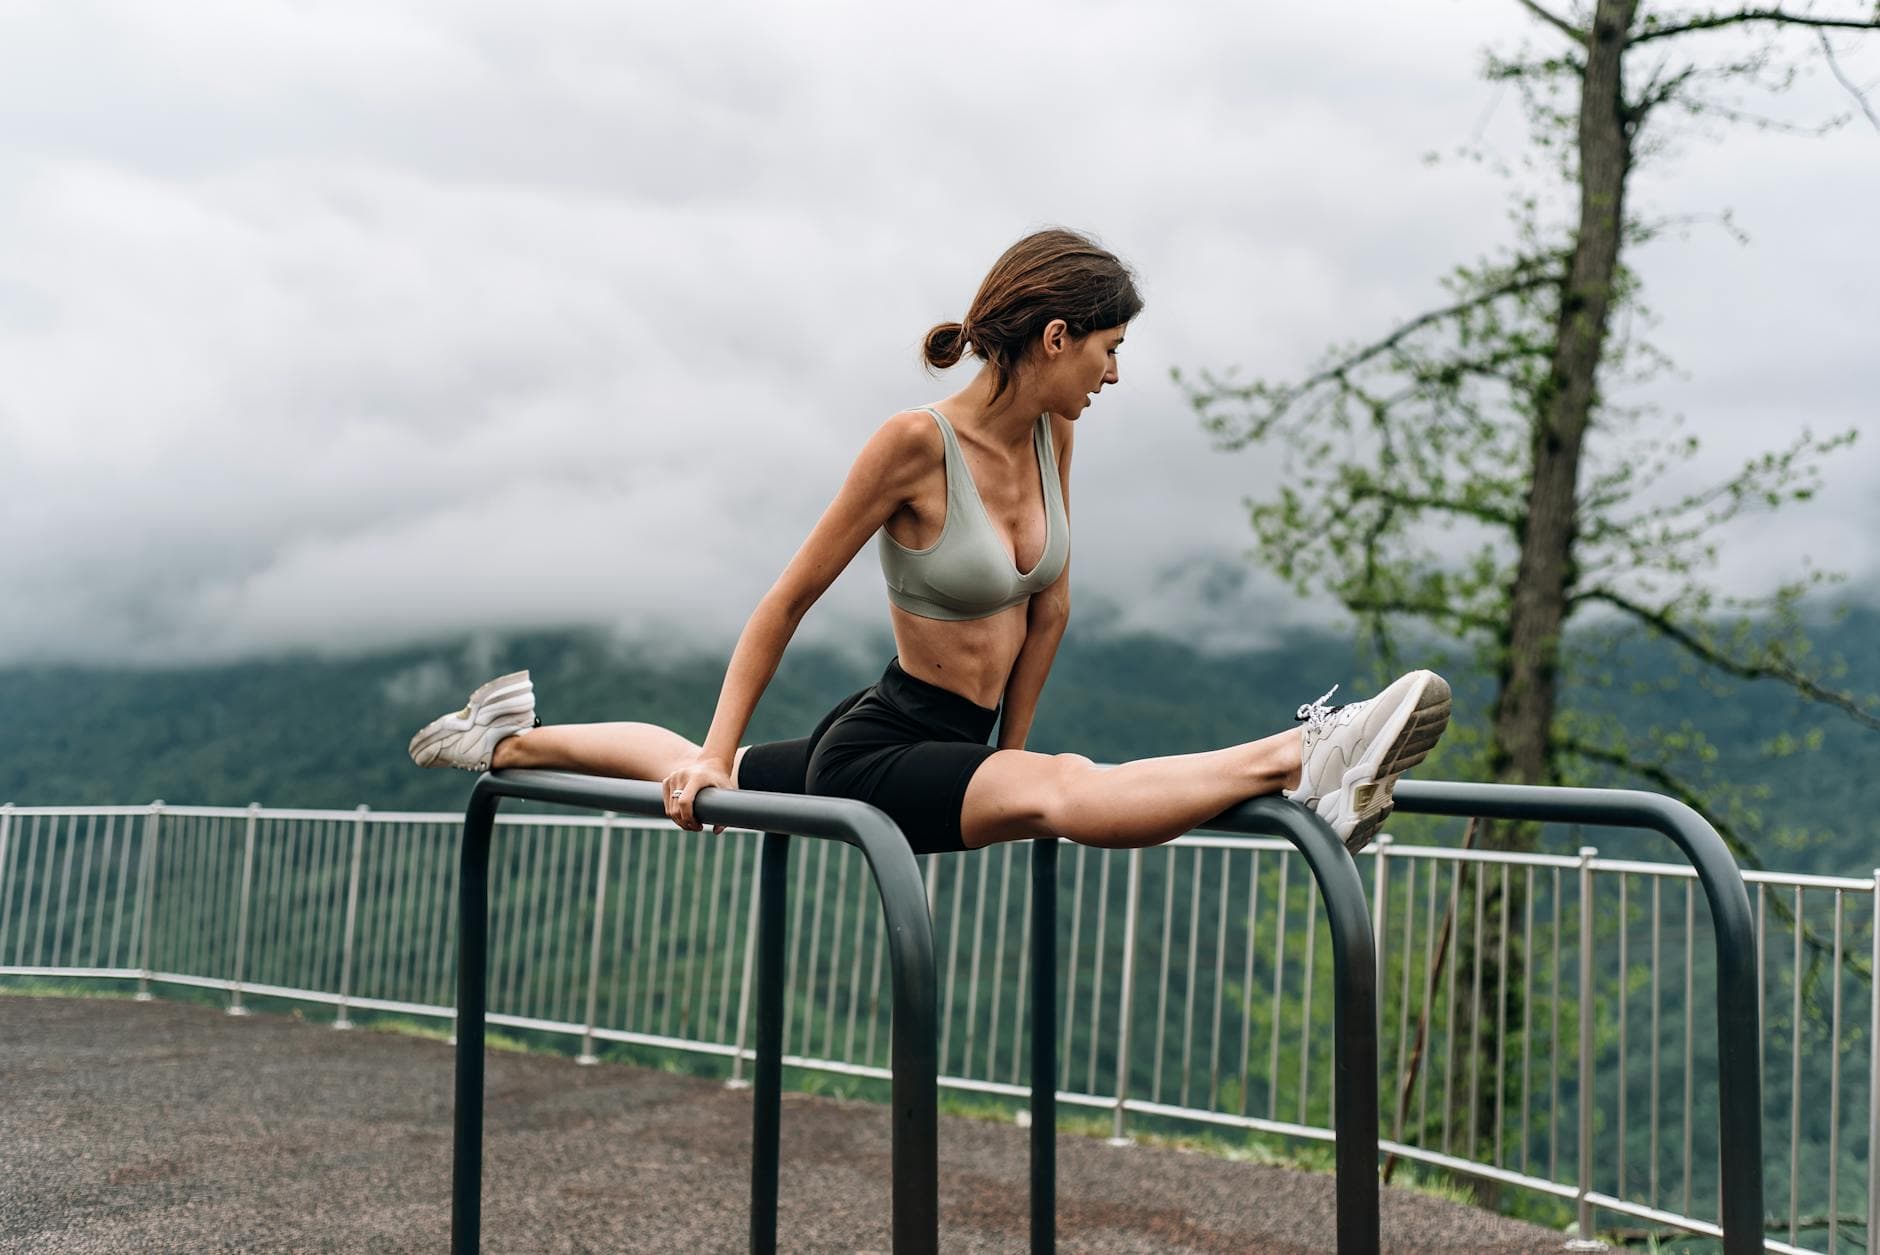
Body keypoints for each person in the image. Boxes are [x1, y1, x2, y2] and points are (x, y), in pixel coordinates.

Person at [408, 228, 1450, 855]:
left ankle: (494, 738)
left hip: (944, 736)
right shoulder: (913, 446)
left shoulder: (1056, 434)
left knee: (698, 768)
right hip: (877, 745)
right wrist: (722, 752)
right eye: (1108, 349)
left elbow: (1050, 609)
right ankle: (1304, 753)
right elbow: (784, 602)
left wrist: (998, 757)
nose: (1114, 375)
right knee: (1063, 792)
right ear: (1055, 339)